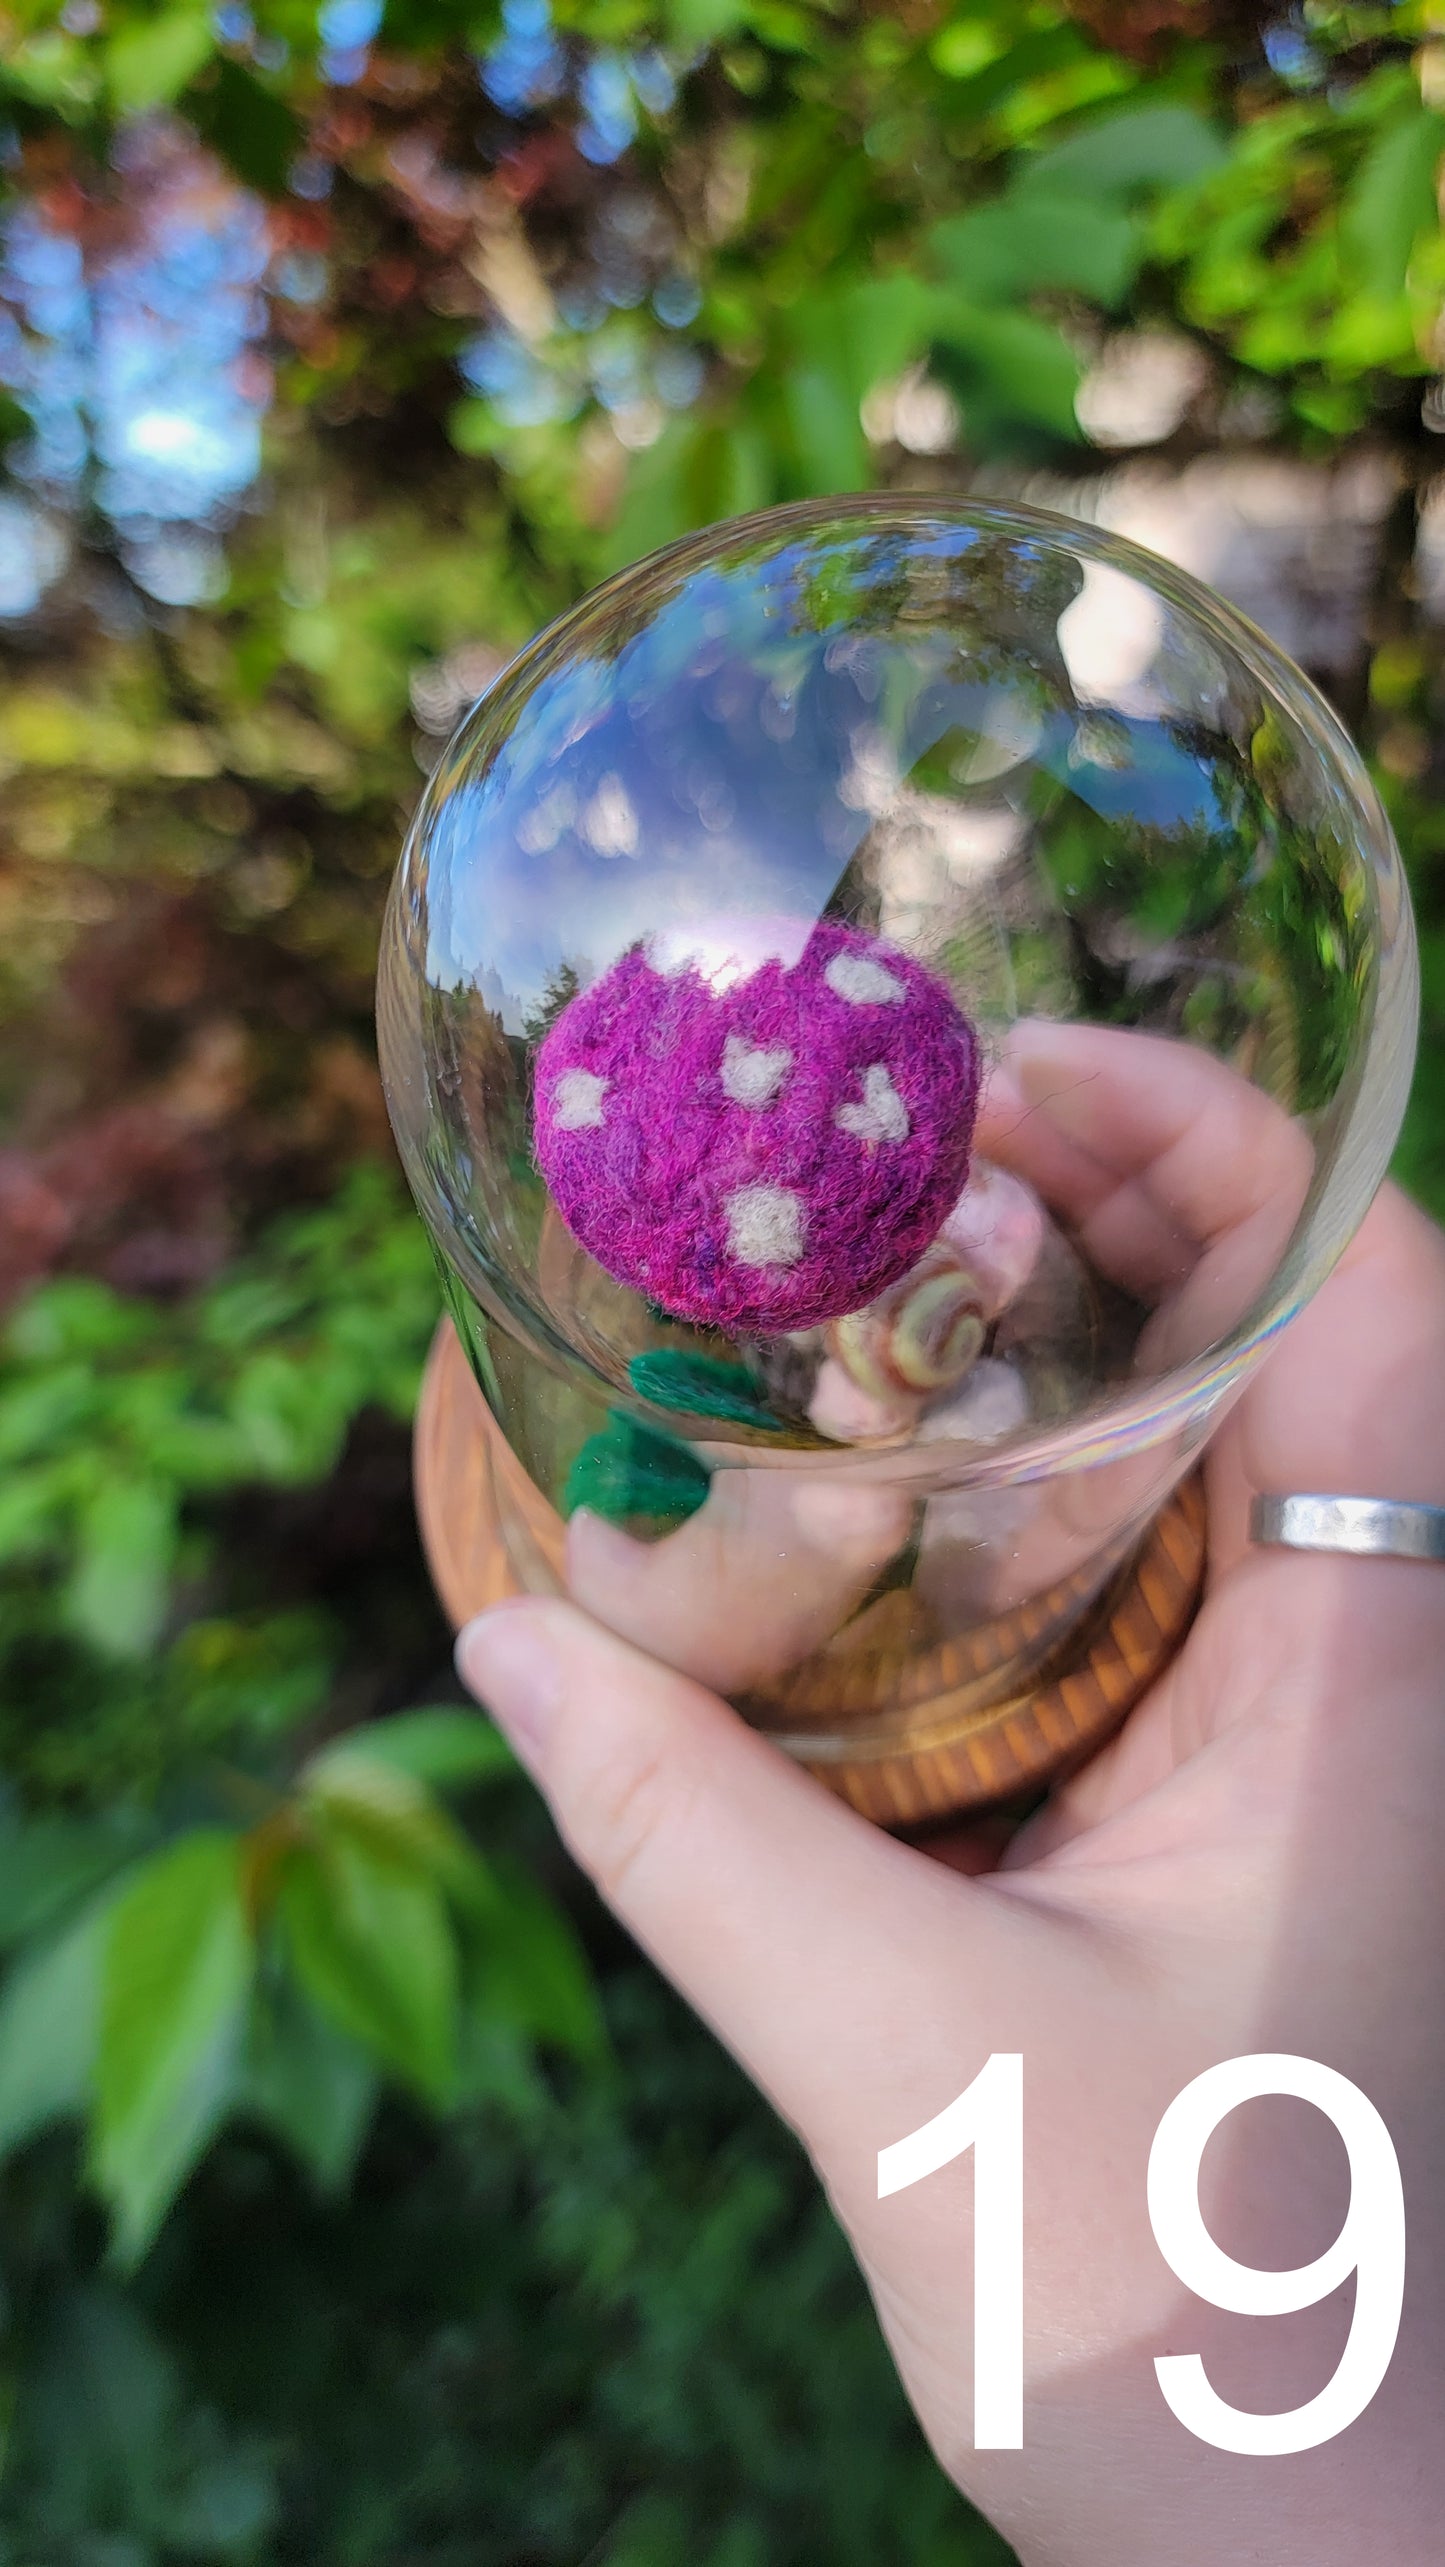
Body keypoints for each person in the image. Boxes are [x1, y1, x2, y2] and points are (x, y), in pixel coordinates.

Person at [456, 1026, 1445, 2566]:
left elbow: (992, 1398)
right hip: (829, 1511)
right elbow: (671, 1576)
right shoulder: (689, 1415)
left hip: (960, 1529)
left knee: (972, 1498)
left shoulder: (968, 1297)